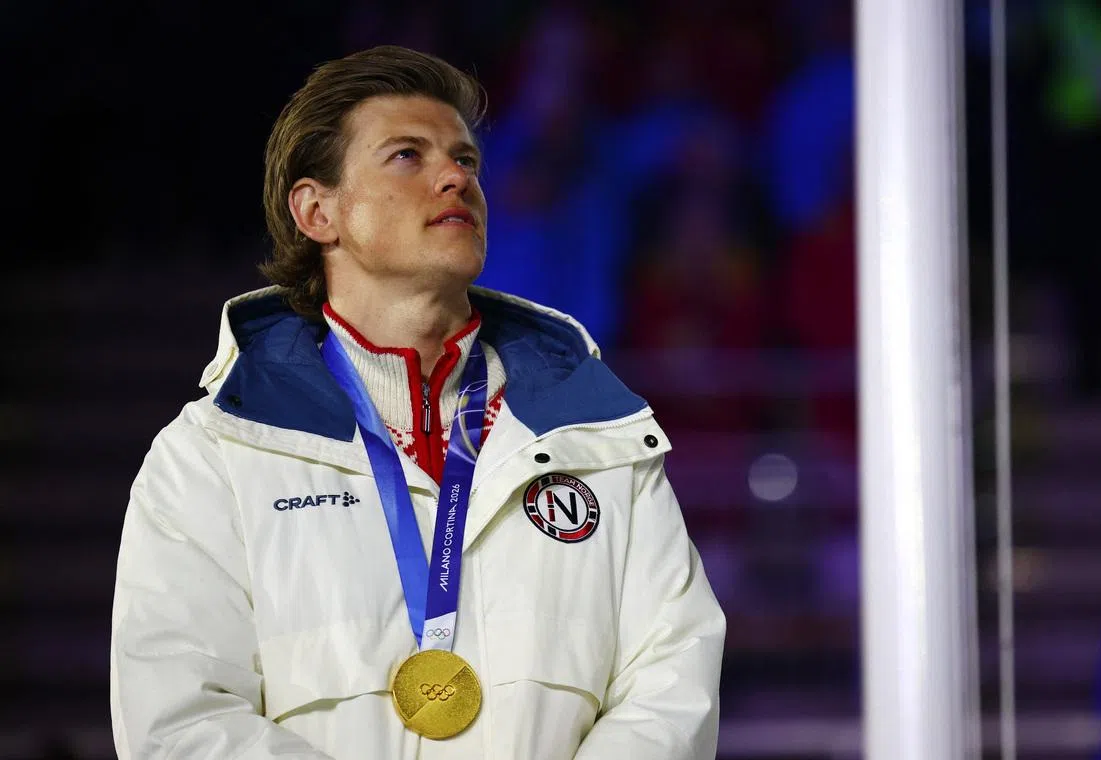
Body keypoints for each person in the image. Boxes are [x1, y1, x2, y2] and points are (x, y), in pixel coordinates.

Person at [109, 45, 725, 759]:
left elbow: (671, 687)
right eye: (407, 155)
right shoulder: (212, 457)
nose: (455, 177)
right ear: (317, 212)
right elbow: (181, 722)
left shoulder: (602, 436)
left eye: (466, 160)